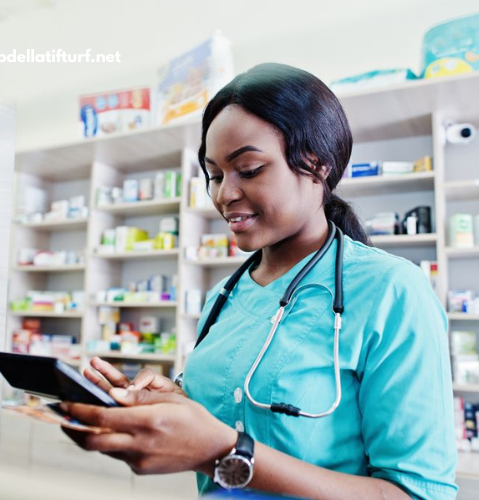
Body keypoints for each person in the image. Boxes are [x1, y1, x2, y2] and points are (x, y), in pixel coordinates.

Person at [62, 63, 458, 500]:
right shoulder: (223, 296)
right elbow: (234, 412)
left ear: (317, 165)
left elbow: (418, 493)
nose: (223, 195)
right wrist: (174, 401)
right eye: (214, 175)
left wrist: (226, 453)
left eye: (248, 170)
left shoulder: (392, 290)